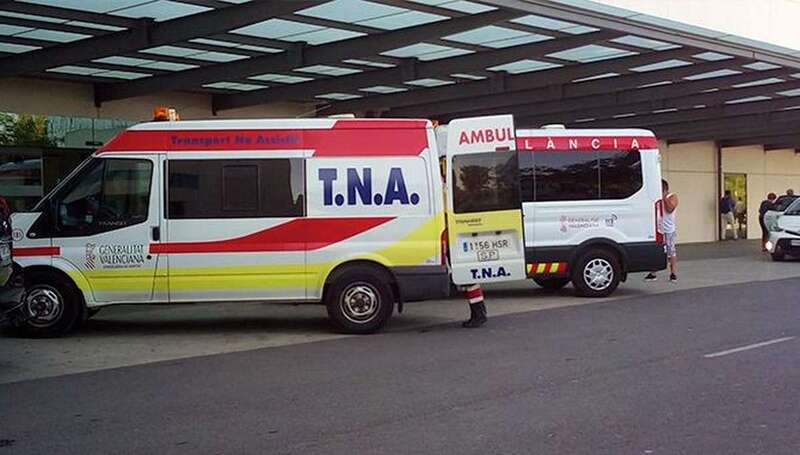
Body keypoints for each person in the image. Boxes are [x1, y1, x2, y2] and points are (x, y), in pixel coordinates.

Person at [645, 179, 679, 282]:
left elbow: (670, 209)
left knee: (670, 251)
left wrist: (664, 197)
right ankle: (653, 273)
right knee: (655, 250)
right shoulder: (656, 197)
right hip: (658, 229)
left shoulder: (672, 197)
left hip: (669, 230)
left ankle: (673, 273)